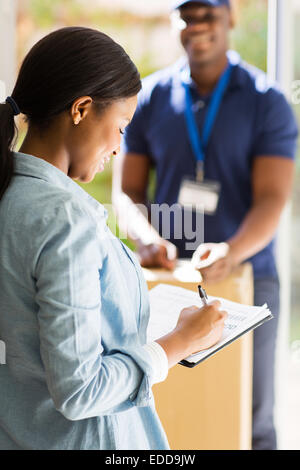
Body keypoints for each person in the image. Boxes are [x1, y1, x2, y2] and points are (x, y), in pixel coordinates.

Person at [0, 26, 227, 451]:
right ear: (81, 109)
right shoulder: (65, 219)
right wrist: (179, 343)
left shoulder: (9, 194)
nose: (120, 147)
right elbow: (80, 390)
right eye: (121, 126)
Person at [113, 0, 298, 450]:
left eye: (208, 15)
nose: (196, 26)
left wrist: (232, 251)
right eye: (186, 16)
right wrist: (146, 237)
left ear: (230, 17)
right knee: (168, 409)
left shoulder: (266, 101)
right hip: (167, 280)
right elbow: (127, 192)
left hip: (246, 276)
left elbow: (273, 199)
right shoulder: (151, 97)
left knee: (251, 417)